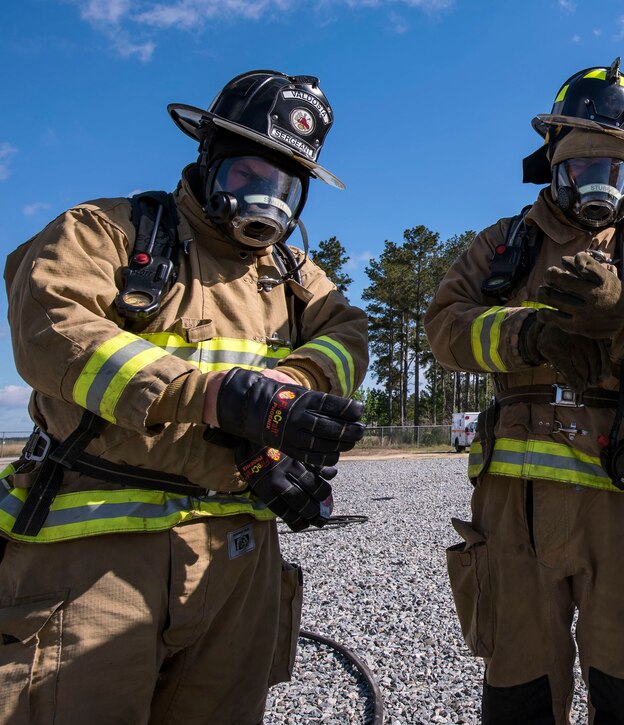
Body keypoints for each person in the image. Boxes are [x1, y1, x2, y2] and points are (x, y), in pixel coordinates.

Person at [0, 70, 369, 723]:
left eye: (283, 187)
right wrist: (213, 395)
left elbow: (348, 331)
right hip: (95, 562)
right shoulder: (110, 233)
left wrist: (292, 387)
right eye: (248, 177)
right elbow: (51, 323)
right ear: (209, 160)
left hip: (239, 562)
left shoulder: (290, 274)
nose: (267, 202)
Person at [426, 59, 624, 724]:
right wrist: (525, 335)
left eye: (611, 174)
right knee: (519, 684)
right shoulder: (504, 246)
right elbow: (444, 328)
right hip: (513, 511)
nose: (595, 188)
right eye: (581, 171)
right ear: (551, 167)